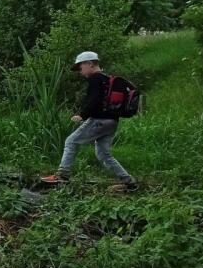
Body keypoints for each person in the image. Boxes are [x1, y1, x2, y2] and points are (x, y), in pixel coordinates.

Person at [40, 51, 137, 191]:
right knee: (103, 154)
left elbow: (94, 99)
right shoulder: (107, 79)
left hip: (99, 120)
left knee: (71, 141)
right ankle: (129, 182)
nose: (80, 71)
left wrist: (82, 115)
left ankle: (62, 175)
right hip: (112, 122)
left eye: (80, 67)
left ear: (90, 64)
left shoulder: (95, 79)